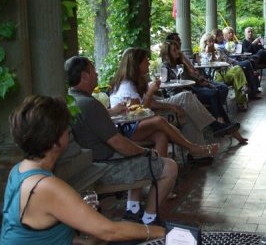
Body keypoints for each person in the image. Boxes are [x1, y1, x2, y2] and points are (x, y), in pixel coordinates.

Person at [0, 95, 165, 244]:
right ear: (54, 140)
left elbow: (32, 234)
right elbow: (109, 231)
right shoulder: (45, 186)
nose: (69, 131)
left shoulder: (19, 170)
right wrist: (162, 232)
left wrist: (79, 240)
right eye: (66, 128)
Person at [65, 56, 178, 226]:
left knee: (139, 154)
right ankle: (149, 219)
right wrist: (146, 151)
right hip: (104, 168)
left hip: (92, 162)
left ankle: (132, 209)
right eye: (93, 70)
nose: (96, 73)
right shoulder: (89, 104)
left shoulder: (70, 100)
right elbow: (119, 143)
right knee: (169, 167)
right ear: (85, 76)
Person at [108, 48, 219, 159]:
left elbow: (148, 105)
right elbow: (138, 115)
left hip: (136, 124)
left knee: (161, 135)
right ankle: (194, 147)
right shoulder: (126, 85)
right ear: (137, 64)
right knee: (159, 120)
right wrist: (150, 92)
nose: (149, 62)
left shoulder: (137, 80)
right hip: (127, 128)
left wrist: (170, 106)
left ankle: (162, 168)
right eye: (146, 60)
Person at [160, 40, 248, 145]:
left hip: (191, 89)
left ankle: (222, 125)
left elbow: (192, 76)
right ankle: (222, 126)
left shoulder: (180, 63)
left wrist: (200, 80)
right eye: (174, 50)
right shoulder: (165, 66)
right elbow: (166, 85)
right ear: (167, 53)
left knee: (215, 92)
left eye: (177, 49)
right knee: (213, 94)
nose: (178, 52)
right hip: (179, 94)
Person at [200, 32, 249, 110]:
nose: (212, 43)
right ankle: (242, 95)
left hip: (225, 72)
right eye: (210, 41)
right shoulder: (202, 54)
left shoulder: (217, 50)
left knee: (237, 69)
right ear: (205, 42)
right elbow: (208, 65)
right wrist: (209, 52)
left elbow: (225, 60)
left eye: (213, 41)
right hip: (215, 75)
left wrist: (215, 53)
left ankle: (242, 94)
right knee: (237, 73)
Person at [211, 28, 261, 100]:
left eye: (222, 35)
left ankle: (252, 91)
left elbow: (229, 54)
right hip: (227, 67)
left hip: (232, 63)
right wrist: (236, 61)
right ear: (216, 37)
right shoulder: (217, 47)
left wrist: (236, 48)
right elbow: (226, 59)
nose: (222, 36)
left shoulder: (222, 44)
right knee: (247, 63)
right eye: (220, 35)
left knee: (248, 65)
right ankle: (251, 90)